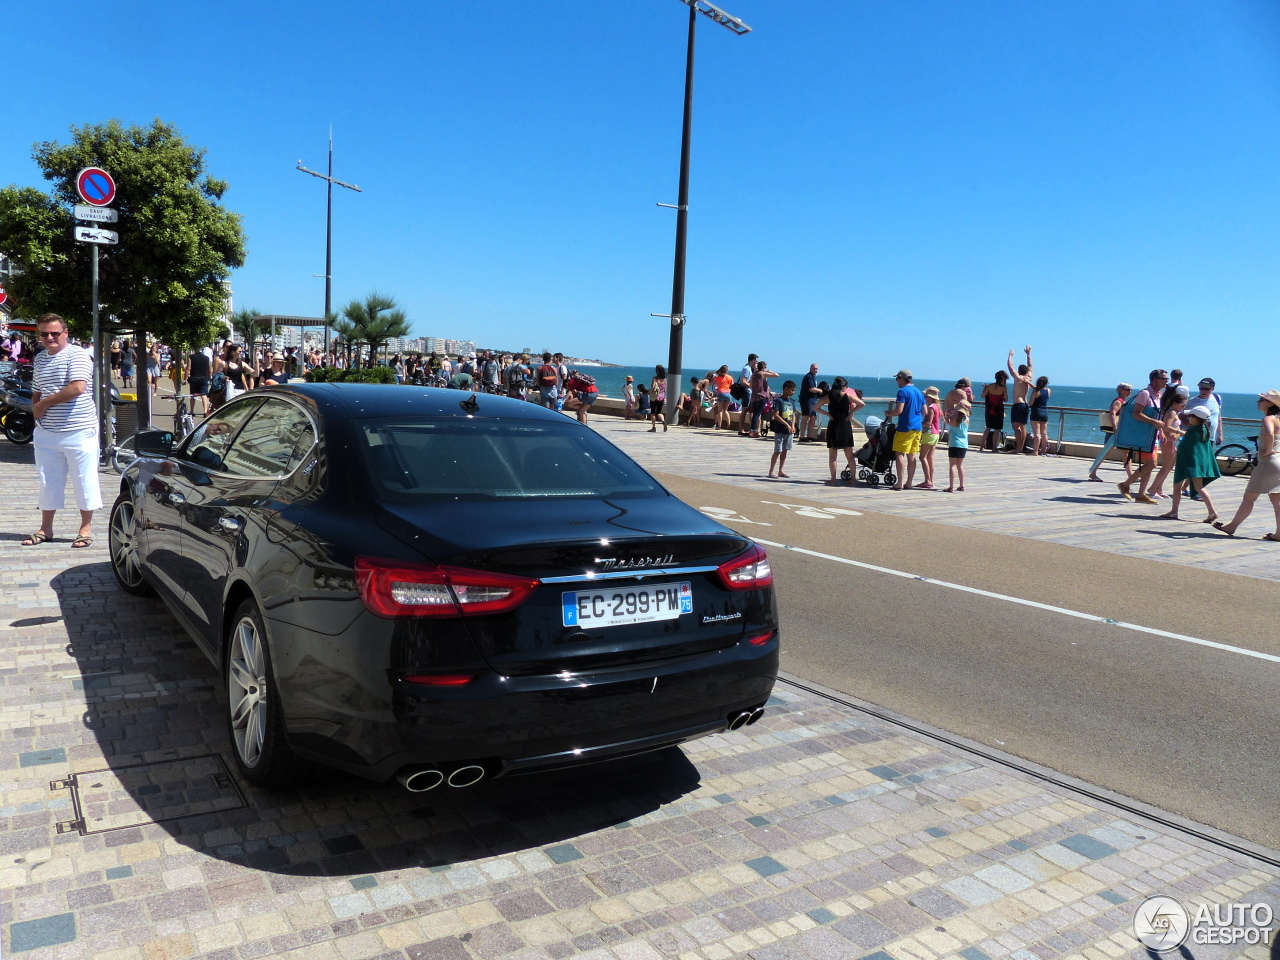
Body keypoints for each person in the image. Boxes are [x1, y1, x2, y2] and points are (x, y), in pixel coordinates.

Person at [22, 314, 102, 548]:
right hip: (47, 431)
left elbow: (77, 387)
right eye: (44, 333)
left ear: (65, 333)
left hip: (78, 429)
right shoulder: (40, 359)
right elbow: (37, 389)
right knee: (48, 480)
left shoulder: (78, 355)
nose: (49, 337)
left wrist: (44, 404)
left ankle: (85, 529)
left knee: (84, 479)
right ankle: (46, 528)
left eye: (55, 333)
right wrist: (35, 409)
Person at [1213, 390, 1280, 540]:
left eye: (1262, 399)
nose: (1258, 402)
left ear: (1270, 403)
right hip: (1278, 460)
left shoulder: (1268, 419)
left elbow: (1269, 433)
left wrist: (1267, 450)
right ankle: (1279, 533)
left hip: (1268, 463)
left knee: (1249, 498)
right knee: (1277, 500)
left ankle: (1232, 527)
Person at [1115, 369, 1168, 505]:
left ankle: (1141, 494)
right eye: (1164, 379)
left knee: (1148, 466)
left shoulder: (1158, 395)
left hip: (1153, 436)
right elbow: (1136, 413)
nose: (1166, 381)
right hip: (1144, 436)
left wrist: (1160, 430)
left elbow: (1158, 416)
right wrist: (1154, 422)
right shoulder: (1145, 394)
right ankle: (1126, 484)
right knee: (1151, 464)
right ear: (1155, 380)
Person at [1161, 408, 1219, 522]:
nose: (1188, 418)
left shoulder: (1193, 431)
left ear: (1195, 418)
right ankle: (1175, 511)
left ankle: (1211, 512)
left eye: (1190, 416)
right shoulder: (1204, 429)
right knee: (1198, 488)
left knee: (1183, 487)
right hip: (1198, 463)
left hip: (1188, 463)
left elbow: (1185, 447)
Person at [817, 377, 864, 484]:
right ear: (843, 387)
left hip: (833, 425)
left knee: (833, 456)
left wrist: (827, 414)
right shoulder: (848, 396)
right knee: (849, 456)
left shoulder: (828, 397)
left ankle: (833, 480)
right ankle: (853, 479)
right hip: (845, 425)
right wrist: (851, 412)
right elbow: (862, 404)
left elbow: (815, 407)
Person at [887, 369, 926, 490]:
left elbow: (899, 410)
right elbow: (925, 411)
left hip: (905, 427)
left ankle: (899, 482)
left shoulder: (902, 392)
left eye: (897, 379)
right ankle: (909, 482)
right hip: (917, 428)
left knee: (899, 453)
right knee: (912, 455)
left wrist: (889, 413)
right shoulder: (919, 392)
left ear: (902, 378)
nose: (897, 381)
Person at [1088, 383, 1134, 481]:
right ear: (1121, 390)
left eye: (1131, 389)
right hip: (1115, 431)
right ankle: (1093, 472)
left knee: (1126, 452)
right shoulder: (1118, 401)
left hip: (1121, 430)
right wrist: (1115, 427)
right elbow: (1112, 413)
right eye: (1127, 389)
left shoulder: (1123, 401)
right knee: (1106, 452)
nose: (1130, 391)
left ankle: (1131, 476)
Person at [1147, 387, 1187, 499]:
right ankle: (1153, 488)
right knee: (1166, 466)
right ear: (1175, 403)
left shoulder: (1174, 412)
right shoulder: (1171, 413)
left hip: (1172, 441)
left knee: (1169, 466)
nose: (1183, 407)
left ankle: (1158, 488)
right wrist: (1179, 431)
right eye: (1182, 405)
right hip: (1168, 441)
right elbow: (1166, 426)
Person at [768, 381, 799, 478]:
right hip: (780, 430)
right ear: (786, 388)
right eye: (791, 390)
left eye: (794, 390)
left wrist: (793, 425)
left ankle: (781, 470)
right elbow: (776, 415)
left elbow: (793, 415)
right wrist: (786, 424)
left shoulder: (791, 402)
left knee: (785, 450)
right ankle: (771, 471)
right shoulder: (779, 401)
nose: (793, 392)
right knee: (778, 450)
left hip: (789, 431)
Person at [1007, 346, 1034, 453]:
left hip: (1018, 404)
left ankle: (1018, 448)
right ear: (1026, 371)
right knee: (1023, 426)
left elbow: (1010, 366)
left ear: (1019, 371)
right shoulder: (1029, 378)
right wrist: (1028, 354)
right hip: (1025, 405)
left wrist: (1010, 355)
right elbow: (1031, 365)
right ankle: (1020, 448)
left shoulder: (1018, 378)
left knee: (1015, 427)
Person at [1183, 377, 1223, 444]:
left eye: (1206, 389)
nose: (1203, 391)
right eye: (1201, 388)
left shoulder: (1217, 398)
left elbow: (1218, 417)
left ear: (1212, 389)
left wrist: (1220, 435)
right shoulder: (1192, 402)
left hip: (1210, 438)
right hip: (1196, 438)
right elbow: (1181, 418)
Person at [918, 386, 943, 489]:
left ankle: (927, 480)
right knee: (930, 457)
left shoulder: (931, 407)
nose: (924, 397)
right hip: (936, 433)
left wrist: (920, 423)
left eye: (925, 396)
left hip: (929, 433)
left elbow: (929, 422)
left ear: (930, 396)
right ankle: (930, 480)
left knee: (922, 457)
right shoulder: (937, 406)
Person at [944, 401, 971, 492]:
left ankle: (951, 486)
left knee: (952, 465)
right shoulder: (966, 419)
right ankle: (961, 485)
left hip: (954, 444)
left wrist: (947, 416)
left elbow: (948, 421)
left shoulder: (954, 419)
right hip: (963, 444)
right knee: (960, 465)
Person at [747, 360, 778, 437]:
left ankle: (753, 431)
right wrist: (770, 372)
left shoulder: (753, 375)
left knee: (755, 414)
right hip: (761, 396)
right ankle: (752, 430)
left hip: (754, 396)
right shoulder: (762, 374)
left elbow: (750, 385)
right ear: (763, 367)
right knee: (757, 414)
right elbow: (776, 375)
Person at [981, 371, 1008, 452]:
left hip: (989, 409)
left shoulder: (989, 386)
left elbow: (983, 396)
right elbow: (1006, 399)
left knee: (987, 428)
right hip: (998, 410)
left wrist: (985, 389)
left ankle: (982, 447)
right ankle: (994, 448)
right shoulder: (1003, 388)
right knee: (997, 430)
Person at [186, 345, 213, 415]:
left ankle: (192, 411)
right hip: (204, 378)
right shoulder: (207, 358)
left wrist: (185, 378)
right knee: (204, 395)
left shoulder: (191, 357)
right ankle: (205, 411)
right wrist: (209, 378)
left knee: (193, 395)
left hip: (194, 378)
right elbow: (210, 369)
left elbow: (188, 368)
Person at [1028, 375, 1051, 456]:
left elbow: (1031, 403)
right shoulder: (1048, 391)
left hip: (1036, 412)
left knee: (1037, 433)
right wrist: (1029, 383)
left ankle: (1035, 451)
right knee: (1044, 433)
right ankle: (1043, 451)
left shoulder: (1035, 392)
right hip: (1045, 412)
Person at [736, 353, 757, 436]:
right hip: (746, 392)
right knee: (744, 410)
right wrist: (752, 386)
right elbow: (743, 381)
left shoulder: (750, 368)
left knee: (749, 410)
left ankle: (747, 428)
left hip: (749, 392)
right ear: (753, 360)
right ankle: (741, 429)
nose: (756, 362)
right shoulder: (747, 369)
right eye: (756, 360)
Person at [799, 364, 822, 442]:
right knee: (805, 418)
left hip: (813, 400)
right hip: (806, 400)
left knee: (813, 418)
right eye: (814, 369)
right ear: (810, 368)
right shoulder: (808, 376)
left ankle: (809, 436)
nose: (815, 370)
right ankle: (802, 436)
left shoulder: (813, 377)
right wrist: (820, 390)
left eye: (816, 369)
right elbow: (811, 389)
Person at [710, 365, 734, 430]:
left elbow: (711, 383)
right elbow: (732, 386)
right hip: (728, 394)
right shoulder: (730, 377)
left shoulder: (718, 377)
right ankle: (729, 424)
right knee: (725, 410)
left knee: (720, 410)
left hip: (721, 393)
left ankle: (719, 426)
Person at [648, 364, 667, 433]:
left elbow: (653, 388)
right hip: (662, 397)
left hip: (655, 397)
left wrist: (648, 392)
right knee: (659, 412)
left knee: (653, 412)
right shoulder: (665, 379)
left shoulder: (655, 378)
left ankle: (653, 428)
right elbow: (665, 389)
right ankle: (663, 421)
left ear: (657, 371)